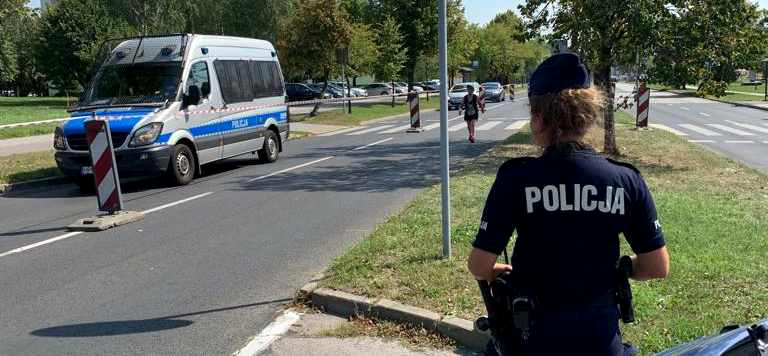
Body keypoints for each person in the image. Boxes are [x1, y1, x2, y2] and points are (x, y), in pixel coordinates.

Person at [467, 53, 669, 356]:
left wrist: (500, 270)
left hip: (533, 341)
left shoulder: (516, 178)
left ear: (539, 117)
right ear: (588, 115)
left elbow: (479, 265)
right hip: (600, 342)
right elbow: (657, 266)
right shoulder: (626, 181)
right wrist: (621, 269)